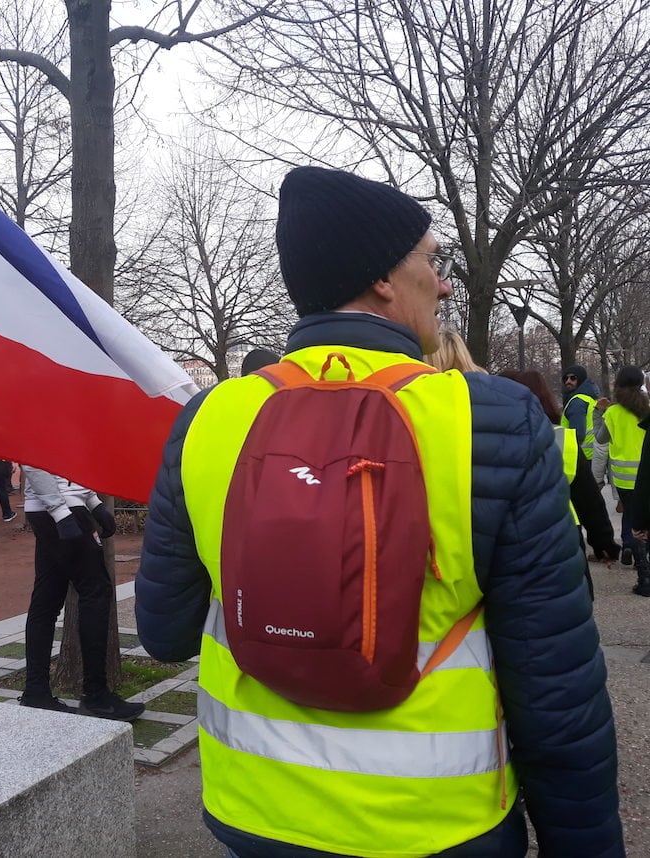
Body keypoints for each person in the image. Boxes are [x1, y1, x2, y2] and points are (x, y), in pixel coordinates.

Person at [136, 166, 622, 858]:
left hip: (255, 809)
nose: (447, 282)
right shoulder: (490, 420)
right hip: (433, 823)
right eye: (434, 260)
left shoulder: (210, 419)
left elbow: (165, 632)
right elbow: (554, 684)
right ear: (384, 280)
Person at [21, 466, 145, 722]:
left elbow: (70, 460)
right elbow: (32, 459)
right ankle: (96, 695)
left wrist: (93, 502)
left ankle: (36, 691)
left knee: (47, 600)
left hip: (55, 507)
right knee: (96, 592)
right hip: (60, 508)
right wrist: (61, 512)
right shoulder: (44, 423)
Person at [502, 369, 620, 598]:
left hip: (505, 541)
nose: (568, 381)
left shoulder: (478, 438)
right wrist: (604, 544)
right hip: (561, 535)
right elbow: (589, 502)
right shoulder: (562, 439)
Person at [596, 366, 650, 596]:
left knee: (631, 518)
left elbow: (600, 439)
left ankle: (642, 572)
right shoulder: (647, 409)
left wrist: (598, 413)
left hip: (625, 479)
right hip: (647, 472)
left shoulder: (614, 413)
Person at [562, 364, 600, 461]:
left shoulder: (577, 402)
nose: (568, 381)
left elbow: (577, 434)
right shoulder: (590, 398)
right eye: (565, 378)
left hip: (580, 456)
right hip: (592, 455)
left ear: (581, 380)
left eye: (573, 378)